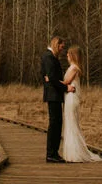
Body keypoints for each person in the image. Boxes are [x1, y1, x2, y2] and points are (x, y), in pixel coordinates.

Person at [60, 45, 102, 163]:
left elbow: (66, 82)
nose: (67, 56)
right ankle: (73, 152)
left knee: (72, 124)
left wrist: (51, 80)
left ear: (73, 55)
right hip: (69, 97)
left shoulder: (74, 68)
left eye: (69, 54)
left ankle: (75, 153)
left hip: (71, 98)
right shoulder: (73, 67)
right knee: (70, 123)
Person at [41, 35, 74, 163]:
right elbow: (52, 78)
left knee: (56, 123)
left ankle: (53, 153)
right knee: (55, 124)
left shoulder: (50, 57)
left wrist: (52, 79)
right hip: (53, 95)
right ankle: (51, 154)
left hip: (54, 94)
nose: (62, 49)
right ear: (56, 44)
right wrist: (66, 88)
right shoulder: (49, 57)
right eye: (61, 46)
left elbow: (51, 78)